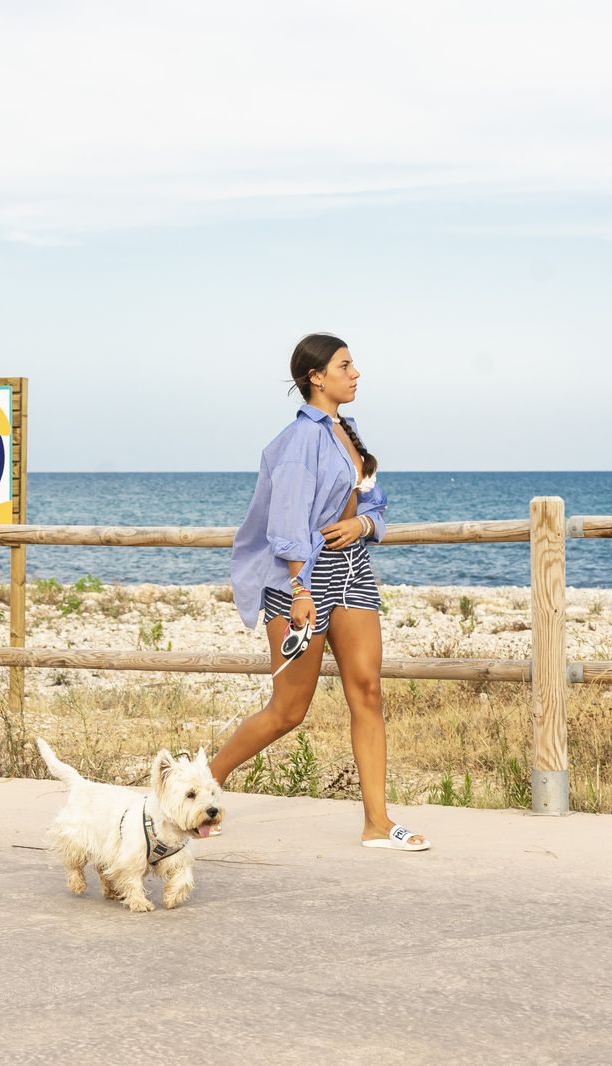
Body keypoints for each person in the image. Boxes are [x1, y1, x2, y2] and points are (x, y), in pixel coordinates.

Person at [215, 333, 429, 851]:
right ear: (317, 376)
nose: (355, 374)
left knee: (368, 691)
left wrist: (362, 528)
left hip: (354, 571)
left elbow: (376, 507)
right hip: (303, 581)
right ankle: (197, 784)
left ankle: (377, 822)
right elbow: (287, 521)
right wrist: (299, 590)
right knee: (289, 710)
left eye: (353, 365)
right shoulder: (297, 442)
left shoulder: (348, 433)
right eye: (345, 365)